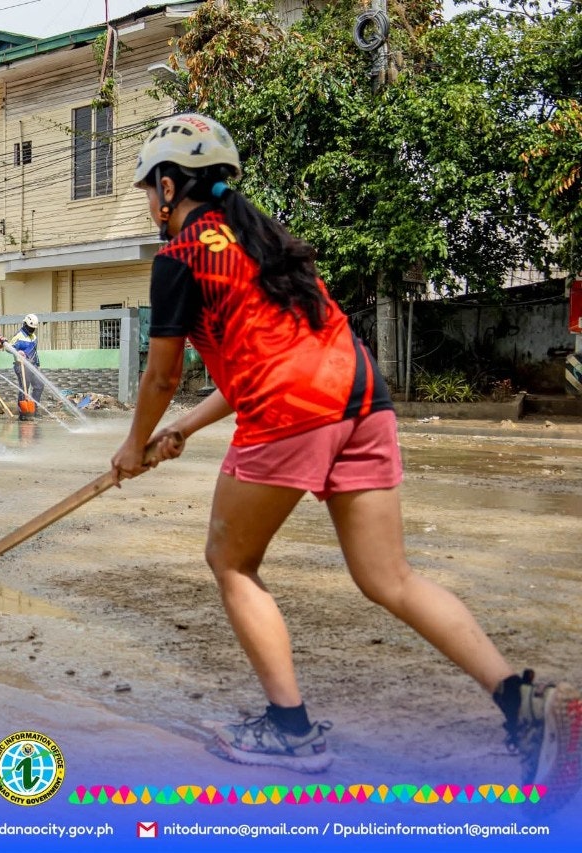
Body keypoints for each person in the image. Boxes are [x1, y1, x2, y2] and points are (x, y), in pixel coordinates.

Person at [110, 113, 580, 794]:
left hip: (289, 411)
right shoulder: (263, 240)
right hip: (360, 399)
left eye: (150, 187)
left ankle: (291, 732)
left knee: (230, 559)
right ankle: (524, 700)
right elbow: (272, 361)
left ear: (169, 185)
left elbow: (159, 374)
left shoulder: (182, 256)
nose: (150, 202)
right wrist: (184, 428)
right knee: (390, 577)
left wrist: (131, 448)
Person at [9, 313, 43, 421]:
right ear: (24, 324)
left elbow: (34, 352)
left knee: (39, 386)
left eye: (33, 328)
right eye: (30, 327)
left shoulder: (34, 337)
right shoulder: (18, 336)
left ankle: (34, 409)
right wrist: (17, 351)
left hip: (33, 365)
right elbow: (8, 348)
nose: (31, 330)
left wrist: (37, 364)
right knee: (24, 388)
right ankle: (23, 413)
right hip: (22, 366)